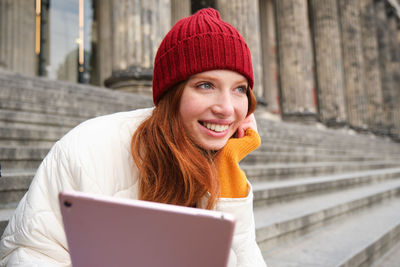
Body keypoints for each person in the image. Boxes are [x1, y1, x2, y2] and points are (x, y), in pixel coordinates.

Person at [0, 8, 266, 267]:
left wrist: (227, 170)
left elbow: (241, 257)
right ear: (171, 93)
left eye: (239, 89)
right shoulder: (88, 148)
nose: (227, 108)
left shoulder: (224, 162)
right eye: (205, 85)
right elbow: (30, 252)